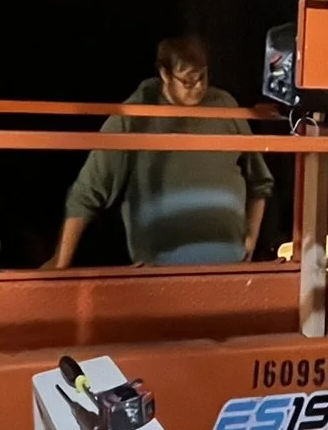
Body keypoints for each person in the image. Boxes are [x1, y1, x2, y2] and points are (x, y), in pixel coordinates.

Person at [51, 36, 273, 268]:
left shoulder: (225, 106)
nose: (198, 87)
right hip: (161, 271)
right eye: (188, 81)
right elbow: (86, 194)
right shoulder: (134, 118)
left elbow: (260, 181)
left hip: (229, 264)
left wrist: (250, 240)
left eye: (203, 77)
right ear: (165, 75)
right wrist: (60, 265)